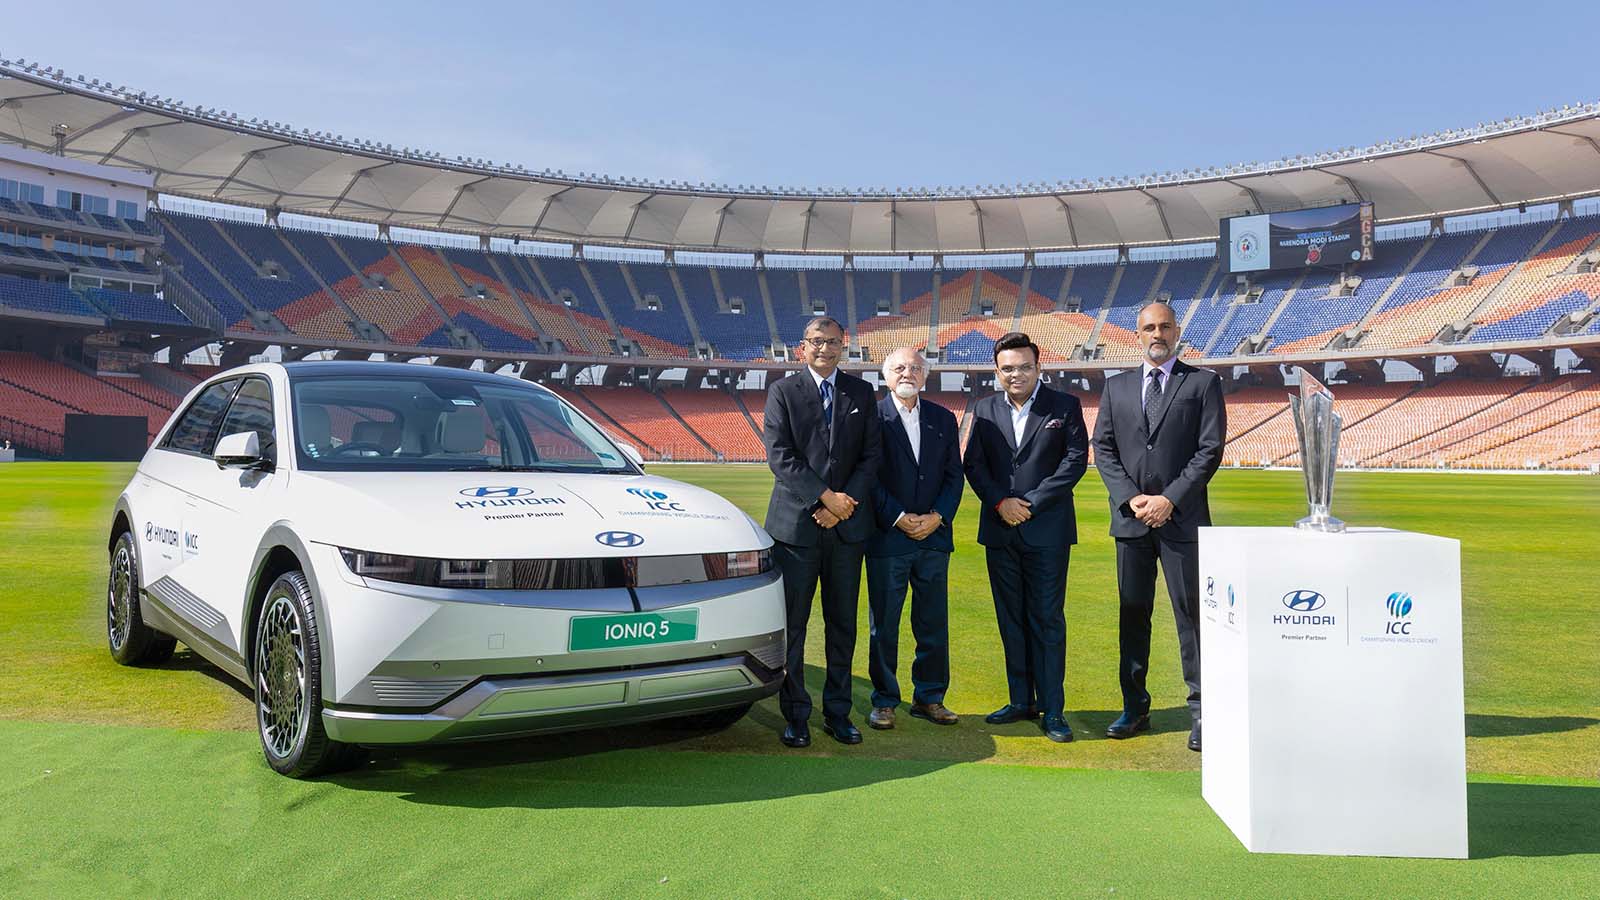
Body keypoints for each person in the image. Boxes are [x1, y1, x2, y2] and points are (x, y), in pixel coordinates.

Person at [1092, 301, 1226, 752]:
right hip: (1131, 524)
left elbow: (1209, 451)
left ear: (1177, 330)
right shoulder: (1116, 387)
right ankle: (1135, 707)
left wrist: (1169, 499)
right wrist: (1133, 499)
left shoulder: (1203, 383)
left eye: (1165, 326)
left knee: (1191, 619)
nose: (1157, 334)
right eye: (1149, 327)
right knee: (1133, 615)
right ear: (1137, 333)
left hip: (1182, 521)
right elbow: (1104, 450)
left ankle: (1203, 712)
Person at [963, 332, 1088, 743]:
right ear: (997, 372)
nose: (1016, 374)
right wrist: (1001, 503)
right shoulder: (983, 409)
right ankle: (1021, 701)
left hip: (1047, 530)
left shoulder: (1064, 406)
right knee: (1010, 619)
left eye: (1024, 366)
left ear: (1039, 367)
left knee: (1047, 620)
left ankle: (1053, 709)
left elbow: (1074, 462)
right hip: (1000, 530)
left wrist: (1029, 503)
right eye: (1008, 368)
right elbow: (974, 465)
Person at [763, 316, 882, 748]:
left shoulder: (862, 392)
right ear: (802, 347)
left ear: (843, 346)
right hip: (796, 529)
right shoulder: (782, 391)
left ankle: (838, 712)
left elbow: (872, 457)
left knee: (842, 626)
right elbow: (781, 456)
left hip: (847, 530)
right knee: (793, 626)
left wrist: (842, 502)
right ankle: (795, 714)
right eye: (817, 341)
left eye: (833, 342)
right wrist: (823, 499)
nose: (825, 349)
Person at [864, 348, 963, 731]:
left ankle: (930, 697)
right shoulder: (871, 417)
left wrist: (937, 517)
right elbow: (867, 476)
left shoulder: (943, 417)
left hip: (934, 539)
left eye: (916, 368)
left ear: (925, 376)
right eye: (900, 367)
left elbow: (954, 475)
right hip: (889, 538)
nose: (908, 373)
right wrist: (900, 517)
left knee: (933, 622)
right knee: (884, 625)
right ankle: (885, 699)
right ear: (885, 375)